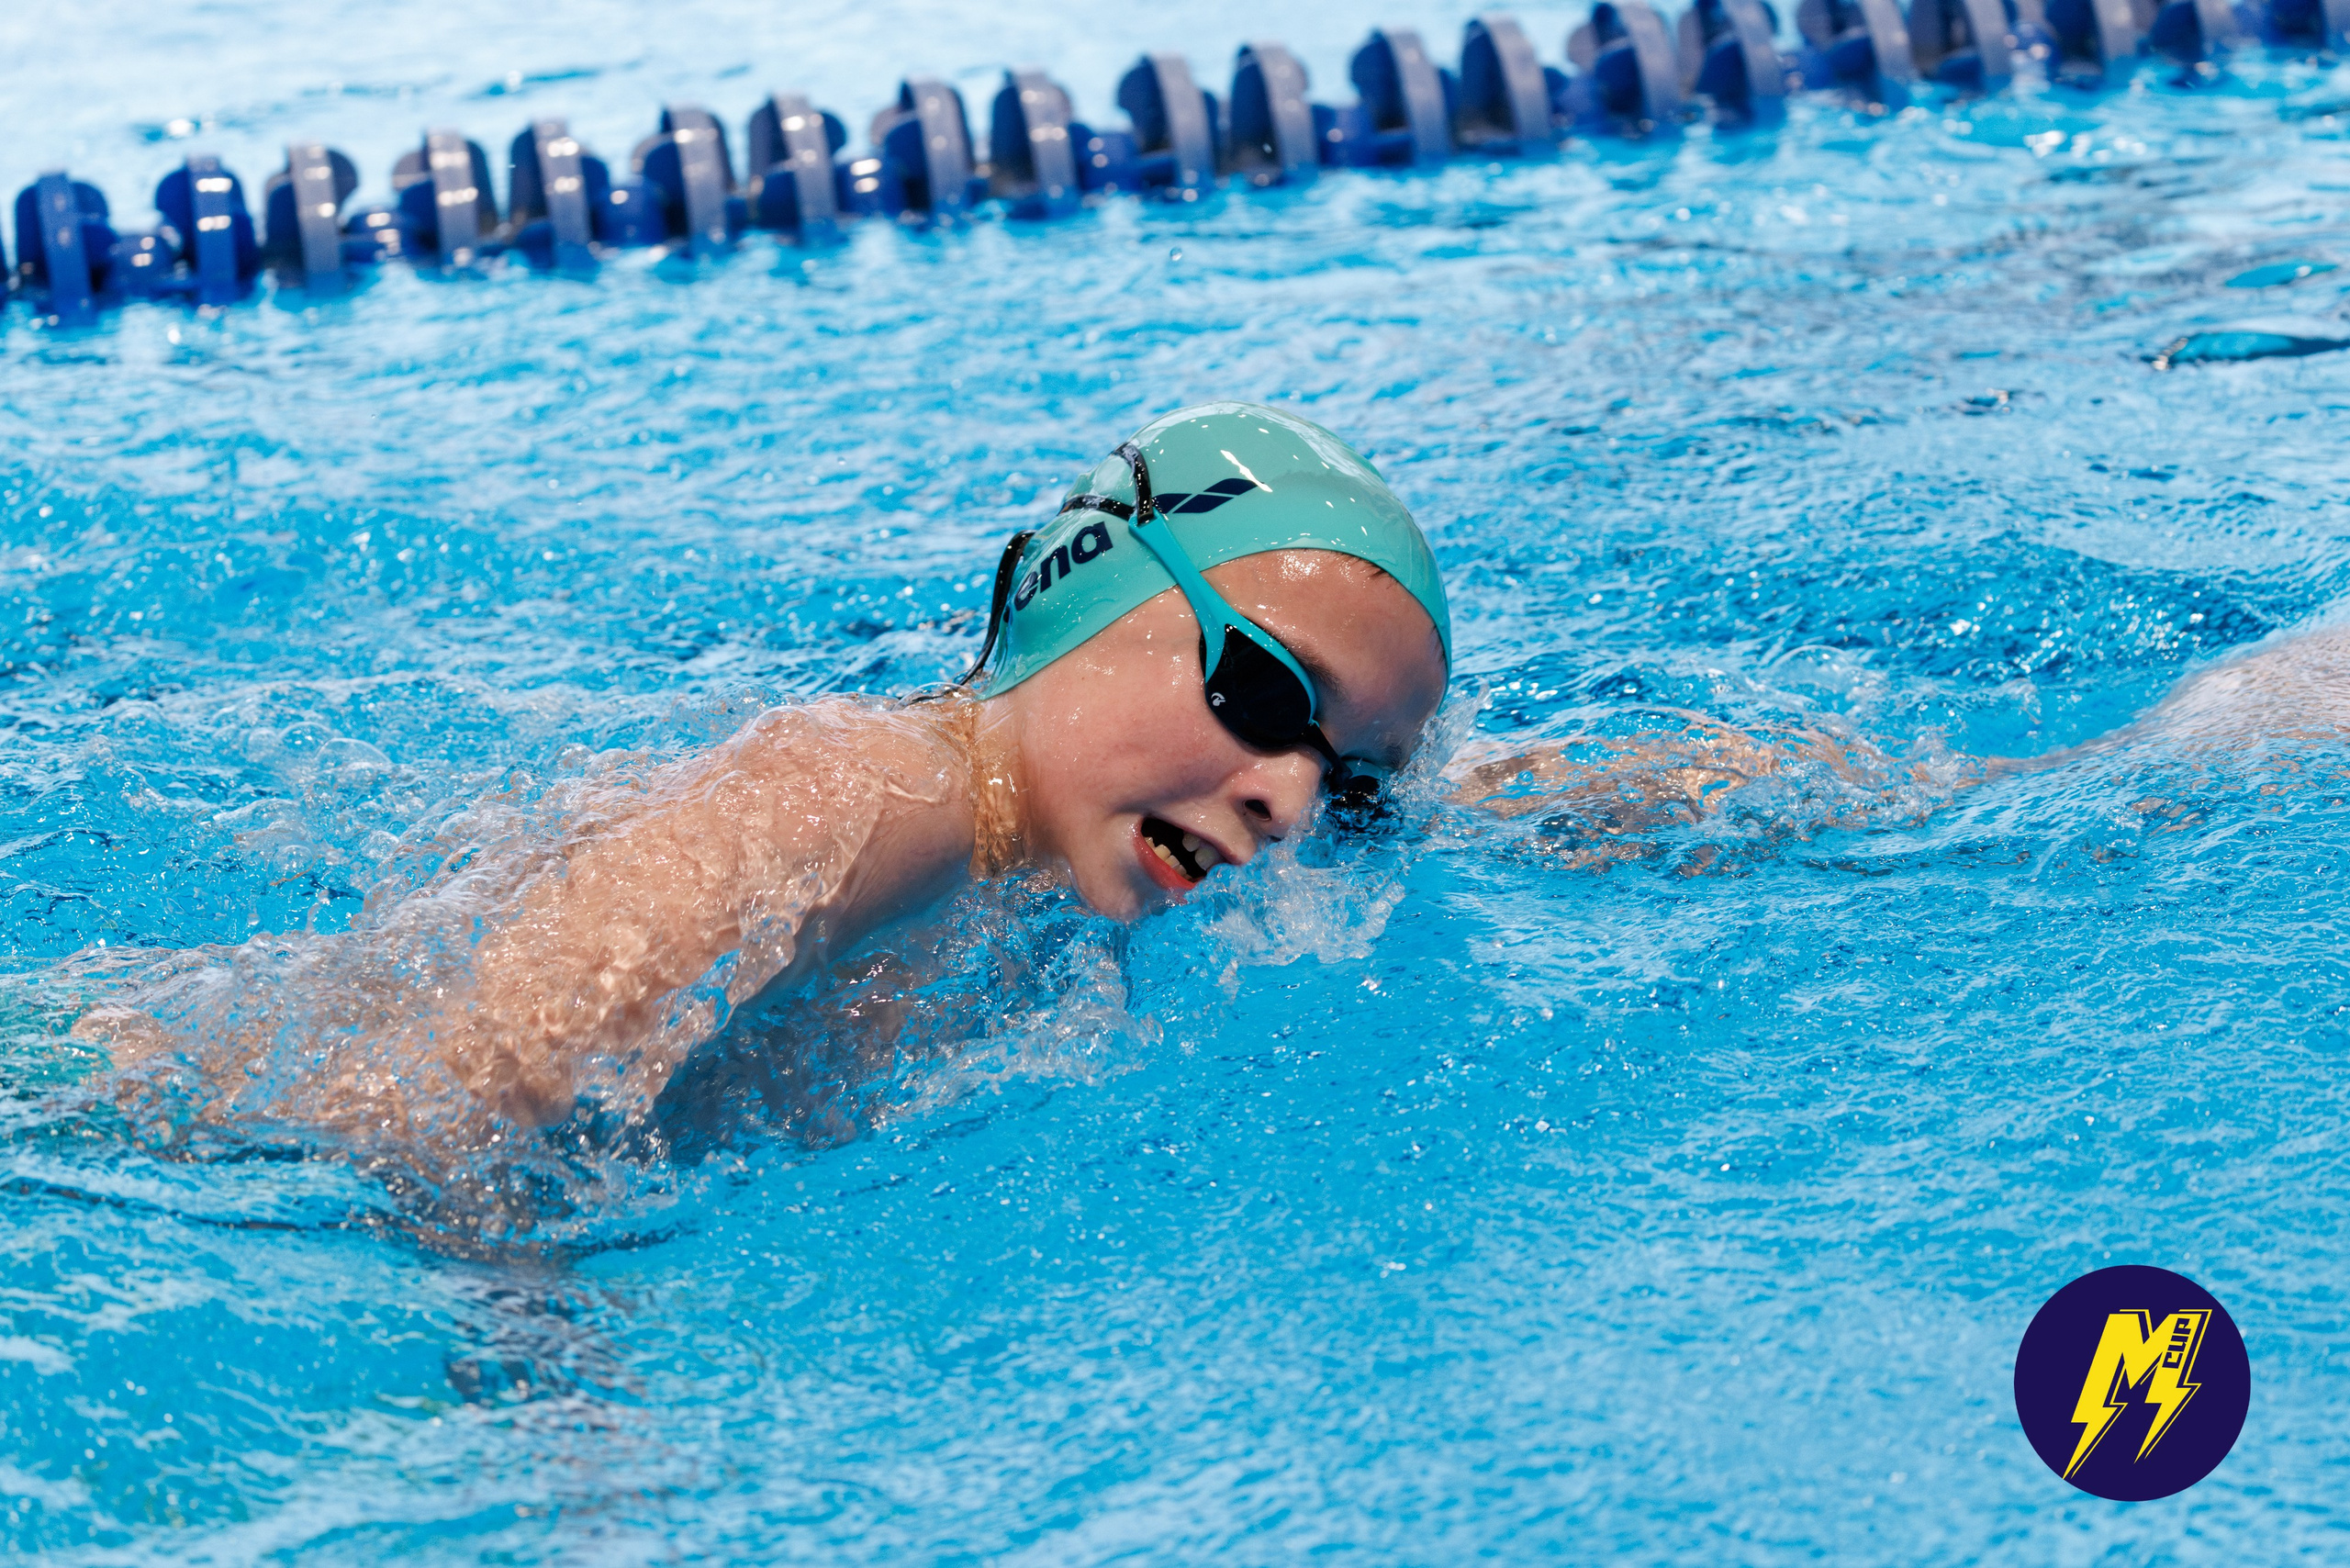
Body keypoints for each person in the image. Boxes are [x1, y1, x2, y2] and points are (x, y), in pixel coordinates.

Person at [77, 402, 1454, 1153]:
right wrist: (546, 1365)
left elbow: (1466, 789)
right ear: (1082, 593)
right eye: (1267, 694)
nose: (1288, 801)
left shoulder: (1007, 852)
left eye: (1353, 788)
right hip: (146, 1127)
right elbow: (469, 1083)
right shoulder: (868, 800)